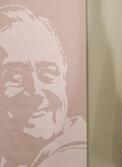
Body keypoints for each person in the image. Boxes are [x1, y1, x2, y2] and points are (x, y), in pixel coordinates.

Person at [0, 4, 86, 167]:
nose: (36, 91)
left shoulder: (76, 151)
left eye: (47, 73)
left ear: (64, 75)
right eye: (16, 76)